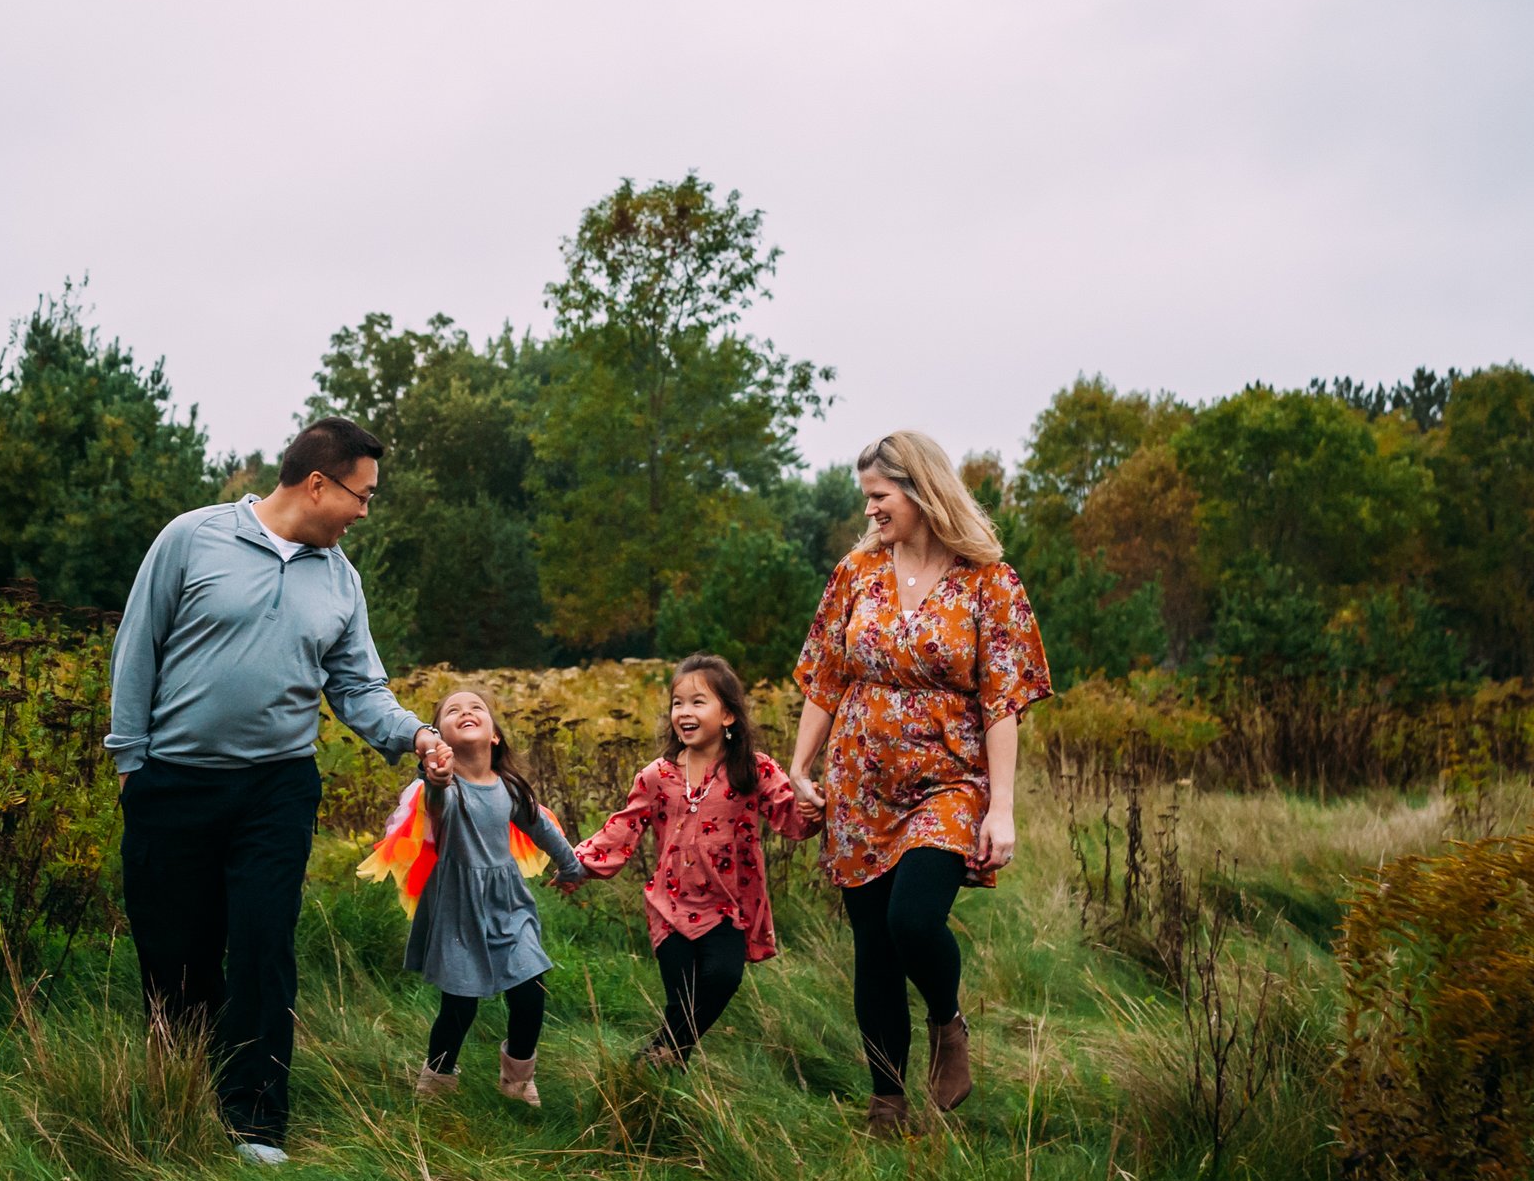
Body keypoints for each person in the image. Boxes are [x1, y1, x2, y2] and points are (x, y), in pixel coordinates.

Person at [107, 416, 453, 1166]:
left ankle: (256, 1123)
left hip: (275, 791)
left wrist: (417, 736)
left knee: (265, 948)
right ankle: (179, 1096)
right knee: (176, 954)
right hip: (173, 785)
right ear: (318, 484)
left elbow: (359, 686)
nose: (367, 511)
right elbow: (138, 646)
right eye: (362, 496)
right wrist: (131, 763)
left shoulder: (340, 579)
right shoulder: (192, 539)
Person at [788, 431, 1051, 1137]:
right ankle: (887, 1106)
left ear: (921, 492)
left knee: (912, 921)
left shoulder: (989, 580)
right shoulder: (856, 574)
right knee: (873, 945)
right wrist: (799, 768)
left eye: (880, 497)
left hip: (948, 780)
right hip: (858, 783)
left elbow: (1003, 701)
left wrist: (1002, 809)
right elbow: (825, 676)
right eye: (867, 498)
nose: (870, 511)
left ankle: (945, 1018)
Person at [569, 653, 811, 1064]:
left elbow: (791, 818)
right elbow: (622, 828)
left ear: (729, 715)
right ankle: (662, 1070)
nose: (684, 712)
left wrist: (813, 806)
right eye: (678, 703)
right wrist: (577, 863)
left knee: (723, 977)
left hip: (727, 908)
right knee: (682, 998)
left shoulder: (754, 771)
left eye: (698, 702)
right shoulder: (657, 775)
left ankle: (657, 1057)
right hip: (671, 907)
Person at [357, 687, 587, 1106]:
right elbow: (437, 797)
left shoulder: (511, 788)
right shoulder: (444, 789)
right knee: (460, 1003)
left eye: (476, 708)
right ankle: (437, 1079)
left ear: (495, 735)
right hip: (458, 908)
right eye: (452, 711)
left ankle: (517, 1080)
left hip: (509, 905)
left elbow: (542, 829)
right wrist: (436, 775)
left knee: (530, 989)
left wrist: (570, 866)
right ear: (437, 739)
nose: (466, 712)